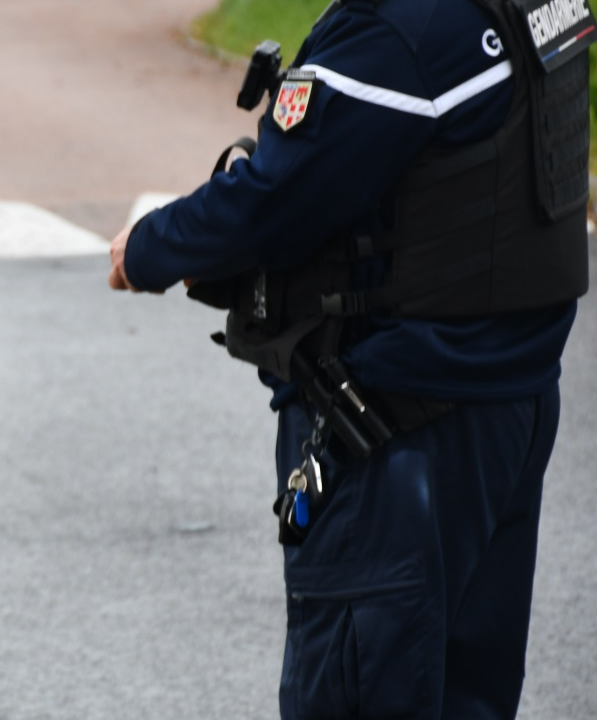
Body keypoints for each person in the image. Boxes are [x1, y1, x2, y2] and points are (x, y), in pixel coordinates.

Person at [108, 0, 589, 718]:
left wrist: (146, 249)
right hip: (507, 403)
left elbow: (277, 197)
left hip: (396, 434)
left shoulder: (396, 31)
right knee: (469, 697)